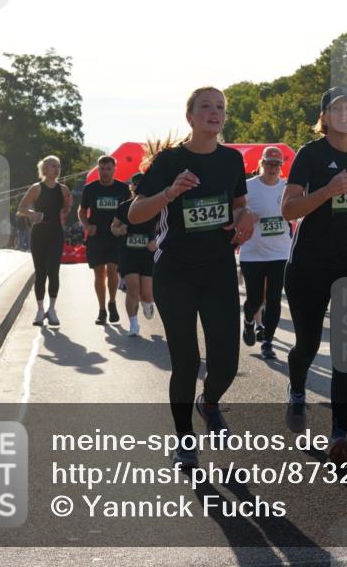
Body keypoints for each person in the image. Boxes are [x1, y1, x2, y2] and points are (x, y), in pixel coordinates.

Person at [129, 87, 254, 469]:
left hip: (218, 270)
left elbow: (239, 207)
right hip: (176, 272)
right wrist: (169, 193)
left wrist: (245, 221)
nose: (214, 112)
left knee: (226, 365)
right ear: (190, 117)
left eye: (220, 107)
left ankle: (210, 401)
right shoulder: (169, 162)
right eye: (206, 107)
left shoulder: (232, 160)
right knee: (185, 363)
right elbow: (136, 215)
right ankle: (185, 441)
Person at [282, 86, 347, 464]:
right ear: (323, 117)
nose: (344, 113)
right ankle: (298, 388)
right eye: (336, 108)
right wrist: (325, 191)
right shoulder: (310, 155)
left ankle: (339, 433)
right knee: (307, 344)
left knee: (345, 348)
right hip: (310, 263)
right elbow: (289, 209)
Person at [239, 146, 292, 360]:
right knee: (254, 299)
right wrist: (247, 214)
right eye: (268, 164)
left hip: (280, 252)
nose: (272, 168)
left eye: (276, 165)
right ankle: (249, 321)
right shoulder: (247, 187)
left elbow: (297, 211)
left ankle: (268, 341)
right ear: (261, 164)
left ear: (281, 167)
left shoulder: (288, 187)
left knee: (273, 299)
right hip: (253, 252)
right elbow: (236, 209)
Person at [16, 156, 72, 326]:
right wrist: (33, 214)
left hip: (55, 233)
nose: (56, 169)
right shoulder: (36, 188)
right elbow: (21, 209)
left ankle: (52, 309)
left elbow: (67, 207)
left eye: (58, 166)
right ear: (44, 169)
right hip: (39, 233)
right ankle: (40, 310)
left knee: (53, 271)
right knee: (40, 272)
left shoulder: (62, 189)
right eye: (53, 166)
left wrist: (67, 208)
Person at [79, 156, 130, 325]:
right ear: (98, 169)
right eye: (102, 169)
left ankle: (112, 302)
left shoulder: (123, 188)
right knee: (99, 274)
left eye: (108, 169)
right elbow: (81, 210)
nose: (105, 172)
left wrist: (123, 226)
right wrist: (87, 225)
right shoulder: (90, 189)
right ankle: (102, 310)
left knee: (113, 271)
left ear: (114, 170)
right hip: (96, 236)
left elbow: (129, 210)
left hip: (115, 236)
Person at [110, 172, 158, 337]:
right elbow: (113, 227)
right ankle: (133, 324)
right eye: (135, 184)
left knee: (146, 293)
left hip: (147, 253)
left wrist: (156, 242)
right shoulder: (124, 206)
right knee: (133, 288)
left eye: (141, 184)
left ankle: (147, 303)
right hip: (128, 252)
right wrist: (119, 230)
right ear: (131, 187)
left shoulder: (155, 206)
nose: (138, 187)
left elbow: (163, 229)